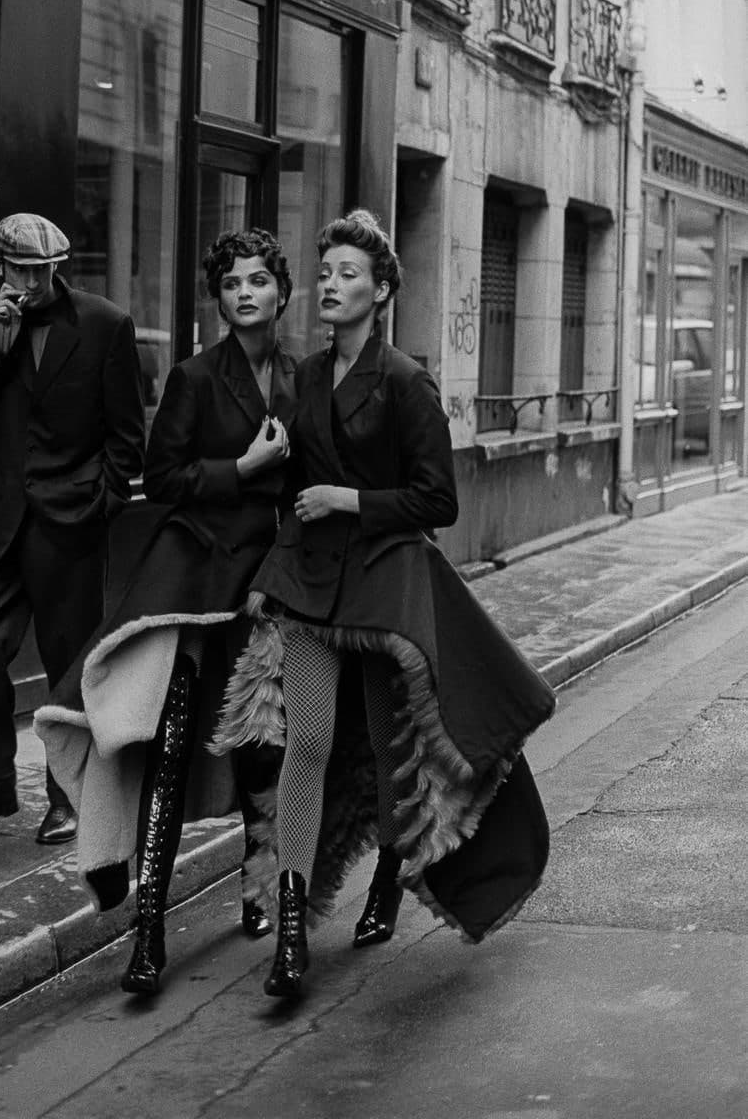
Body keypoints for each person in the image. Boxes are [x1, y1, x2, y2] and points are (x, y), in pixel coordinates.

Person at [212, 209, 556, 999]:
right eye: (326, 272)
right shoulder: (303, 377)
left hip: (382, 590)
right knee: (307, 742)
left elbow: (439, 501)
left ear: (382, 291)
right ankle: (292, 927)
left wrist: (348, 500)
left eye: (348, 274)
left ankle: (388, 885)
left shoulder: (406, 381)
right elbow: (289, 476)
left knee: (389, 746)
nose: (331, 285)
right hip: (308, 584)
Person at [34, 228, 298, 996]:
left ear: (282, 292)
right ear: (218, 299)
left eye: (257, 280)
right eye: (231, 284)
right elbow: (164, 476)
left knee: (263, 747)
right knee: (171, 745)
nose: (244, 293)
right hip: (193, 581)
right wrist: (242, 467)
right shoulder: (194, 377)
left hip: (269, 586)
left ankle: (257, 890)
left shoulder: (305, 379)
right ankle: (147, 930)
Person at [0, 212, 145, 846]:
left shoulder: (105, 323)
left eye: (44, 270)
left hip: (72, 521)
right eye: (21, 270)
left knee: (68, 664)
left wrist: (102, 503)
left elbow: (127, 434)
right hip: (0, 519)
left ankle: (68, 796)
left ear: (58, 266)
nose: (33, 282)